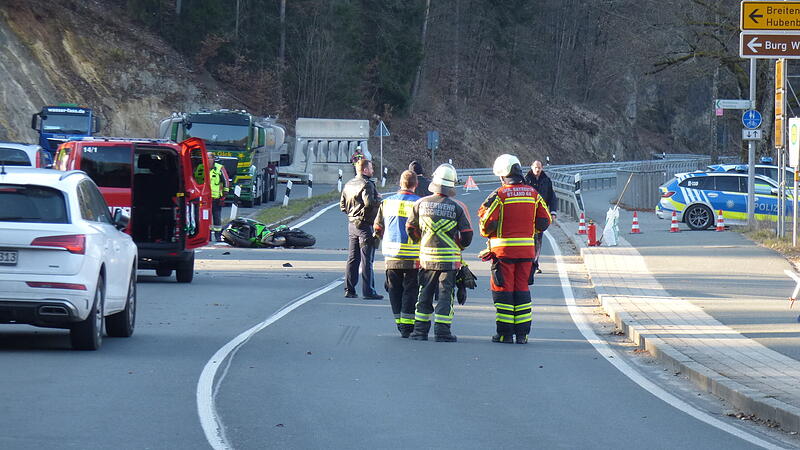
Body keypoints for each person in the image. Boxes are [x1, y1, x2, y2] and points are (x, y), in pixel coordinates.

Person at [479, 154, 551, 344]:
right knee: (522, 290)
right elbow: (545, 221)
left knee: (504, 291)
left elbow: (486, 224)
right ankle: (522, 335)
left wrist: (489, 233)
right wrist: (529, 229)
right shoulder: (533, 194)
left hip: (503, 254)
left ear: (503, 176)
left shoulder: (500, 195)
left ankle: (504, 334)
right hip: (527, 253)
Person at [406, 163, 473, 342]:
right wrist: (459, 246)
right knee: (445, 295)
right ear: (452, 184)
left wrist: (421, 241)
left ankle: (420, 332)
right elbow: (467, 235)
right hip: (448, 261)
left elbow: (410, 228)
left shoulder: (420, 203)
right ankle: (442, 332)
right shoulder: (457, 207)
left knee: (424, 294)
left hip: (427, 258)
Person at [373, 170, 421, 338]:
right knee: (410, 290)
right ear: (416, 184)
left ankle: (399, 323)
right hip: (413, 256)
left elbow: (377, 228)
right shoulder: (419, 203)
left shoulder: (386, 203)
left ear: (400, 183)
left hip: (391, 255)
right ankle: (408, 326)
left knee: (394, 290)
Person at [340, 159, 383, 299]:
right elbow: (369, 203)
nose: (372, 170)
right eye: (370, 168)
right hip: (364, 225)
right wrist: (379, 201)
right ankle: (368, 291)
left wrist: (353, 215)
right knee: (367, 259)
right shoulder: (367, 184)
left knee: (353, 258)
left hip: (351, 224)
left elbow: (342, 206)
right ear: (365, 170)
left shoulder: (348, 184)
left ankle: (349, 289)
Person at [523, 160, 556, 273]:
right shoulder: (525, 180)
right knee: (528, 240)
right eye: (535, 167)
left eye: (539, 168)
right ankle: (528, 263)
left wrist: (553, 212)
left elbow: (552, 197)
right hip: (527, 215)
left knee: (538, 240)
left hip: (541, 215)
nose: (537, 170)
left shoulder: (546, 181)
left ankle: (535, 263)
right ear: (531, 167)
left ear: (542, 168)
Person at [195, 152, 230, 241]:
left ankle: (218, 236)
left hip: (215, 198)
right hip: (203, 199)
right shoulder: (200, 168)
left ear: (213, 159)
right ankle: (207, 236)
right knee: (205, 217)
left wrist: (225, 193)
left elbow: (225, 181)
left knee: (216, 217)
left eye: (209, 158)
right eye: (205, 158)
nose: (207, 160)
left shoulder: (219, 168)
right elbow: (194, 180)